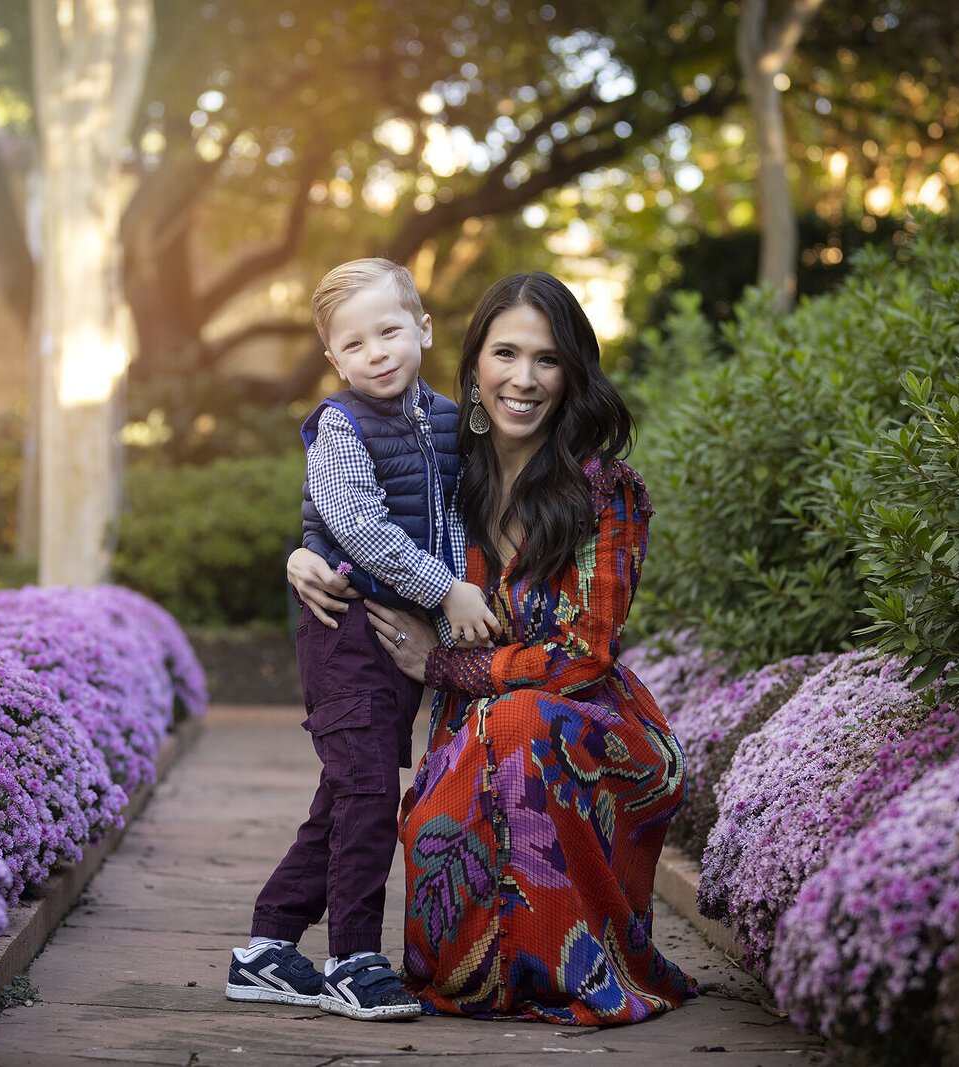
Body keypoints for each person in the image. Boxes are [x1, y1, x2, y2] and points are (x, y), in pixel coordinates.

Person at [288, 271, 697, 1025]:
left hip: (586, 729)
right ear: (474, 362)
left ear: (573, 372)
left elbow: (583, 653)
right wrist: (303, 556)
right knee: (444, 956)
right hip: (470, 738)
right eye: (505, 353)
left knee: (520, 722)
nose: (524, 378)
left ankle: (572, 958)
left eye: (547, 359)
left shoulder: (606, 491)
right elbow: (354, 509)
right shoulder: (453, 471)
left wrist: (440, 663)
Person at [226, 258, 499, 1022]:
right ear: (334, 359)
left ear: (423, 328)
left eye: (389, 330)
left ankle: (268, 945)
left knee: (348, 793)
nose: (376, 351)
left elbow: (464, 517)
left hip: (400, 639)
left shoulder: (451, 418)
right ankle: (352, 956)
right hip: (343, 628)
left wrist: (448, 618)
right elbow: (358, 527)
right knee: (372, 790)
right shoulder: (339, 424)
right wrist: (446, 592)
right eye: (355, 343)